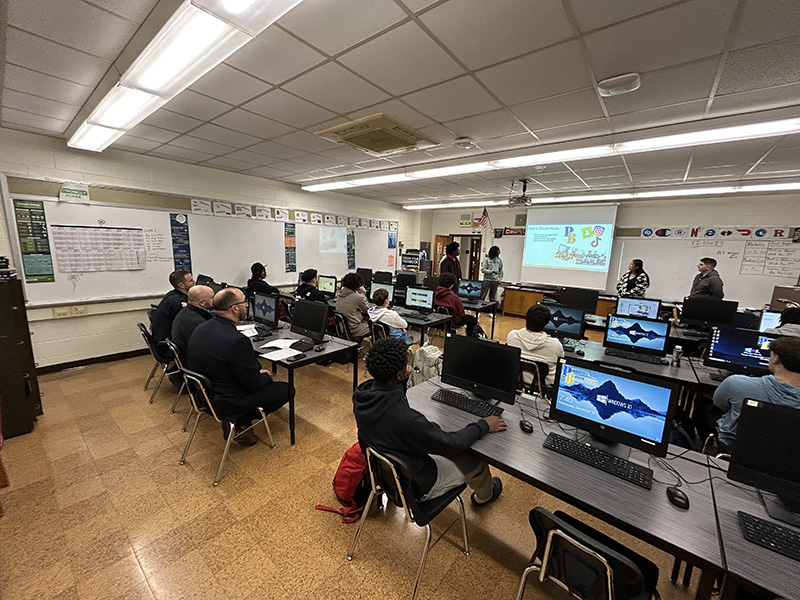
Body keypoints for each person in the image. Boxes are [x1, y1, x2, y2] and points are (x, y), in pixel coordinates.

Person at [353, 337, 505, 505]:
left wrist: (401, 380)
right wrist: (483, 425)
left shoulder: (362, 397)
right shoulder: (407, 420)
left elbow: (396, 403)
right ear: (398, 373)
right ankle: (484, 497)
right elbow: (451, 443)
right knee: (476, 461)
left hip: (393, 472)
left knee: (447, 445)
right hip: (418, 484)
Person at [187, 288, 290, 445]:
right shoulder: (237, 341)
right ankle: (242, 421)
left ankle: (240, 422)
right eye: (244, 302)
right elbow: (254, 384)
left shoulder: (201, 327)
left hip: (205, 396)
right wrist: (263, 376)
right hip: (226, 401)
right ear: (234, 308)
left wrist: (253, 373)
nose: (247, 305)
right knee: (286, 389)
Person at [712, 336, 800, 451]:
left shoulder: (737, 383)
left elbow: (719, 403)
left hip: (736, 448)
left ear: (776, 359)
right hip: (789, 458)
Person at [506, 304, 565, 386]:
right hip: (545, 389)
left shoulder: (512, 336)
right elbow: (561, 363)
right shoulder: (555, 344)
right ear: (547, 323)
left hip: (516, 384)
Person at [151, 269, 195, 347]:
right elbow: (190, 321)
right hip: (167, 345)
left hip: (166, 339)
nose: (194, 282)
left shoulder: (173, 295)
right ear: (181, 285)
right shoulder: (177, 302)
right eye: (191, 281)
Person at [170, 285, 214, 360]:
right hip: (195, 361)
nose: (215, 300)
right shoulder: (197, 322)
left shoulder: (187, 311)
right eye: (212, 297)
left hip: (188, 354)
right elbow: (210, 347)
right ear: (202, 302)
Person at [434, 272, 477, 336]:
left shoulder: (434, 294)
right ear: (452, 285)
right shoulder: (455, 298)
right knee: (472, 319)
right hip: (454, 321)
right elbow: (461, 314)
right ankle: (470, 338)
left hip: (439, 321)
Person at [336, 272, 370, 341]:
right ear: (357, 285)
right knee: (375, 326)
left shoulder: (339, 295)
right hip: (355, 330)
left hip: (343, 329)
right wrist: (363, 294)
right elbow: (368, 310)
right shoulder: (358, 297)